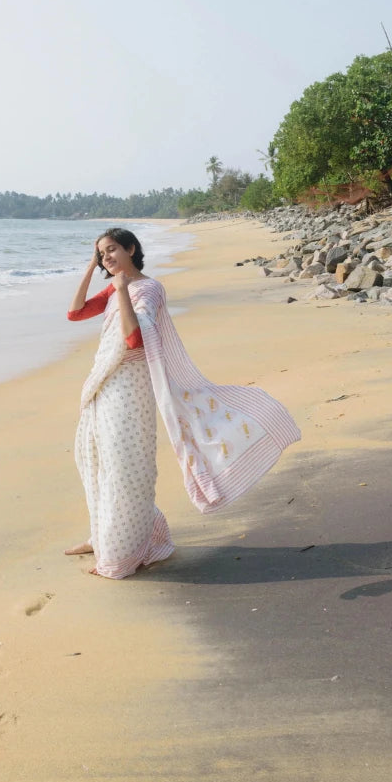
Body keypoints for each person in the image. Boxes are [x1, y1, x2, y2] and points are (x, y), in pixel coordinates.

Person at [66, 227, 300, 579]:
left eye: (112, 249)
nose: (107, 257)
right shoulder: (115, 288)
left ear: (131, 249)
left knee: (124, 467)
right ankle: (102, 537)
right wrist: (91, 267)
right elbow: (75, 313)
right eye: (102, 254)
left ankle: (122, 551)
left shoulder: (148, 288)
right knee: (99, 462)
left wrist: (122, 290)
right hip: (105, 385)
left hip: (130, 389)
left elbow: (133, 339)